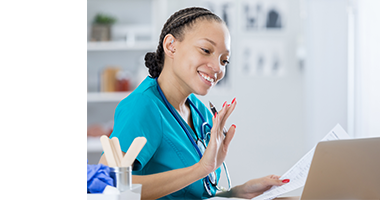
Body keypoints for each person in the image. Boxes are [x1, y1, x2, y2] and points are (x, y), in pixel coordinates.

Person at [98, 7, 289, 200]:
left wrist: (239, 193)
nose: (217, 68)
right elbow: (109, 186)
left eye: (224, 60)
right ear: (171, 45)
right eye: (206, 50)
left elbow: (197, 192)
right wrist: (201, 169)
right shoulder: (143, 107)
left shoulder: (200, 113)